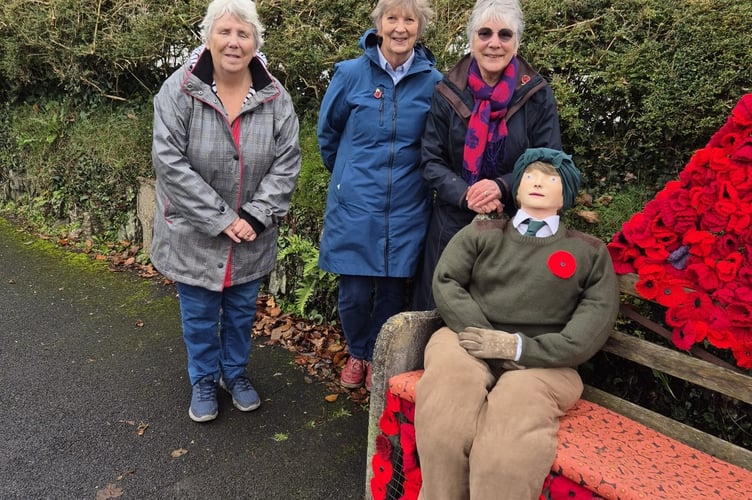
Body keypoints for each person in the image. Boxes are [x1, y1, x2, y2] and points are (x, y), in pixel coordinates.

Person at [414, 148, 619, 499]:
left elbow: (591, 327)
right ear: (517, 190)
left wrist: (521, 348)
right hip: (468, 339)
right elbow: (446, 281)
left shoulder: (589, 252)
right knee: (444, 423)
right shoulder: (484, 232)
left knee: (505, 451)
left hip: (546, 364)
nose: (538, 182)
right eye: (529, 176)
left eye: (550, 178)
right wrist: (485, 335)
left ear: (565, 194)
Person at [151, 0, 301, 422]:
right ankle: (202, 377)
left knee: (239, 312)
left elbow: (287, 161)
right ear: (208, 37)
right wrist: (221, 218)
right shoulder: (177, 90)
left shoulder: (276, 97)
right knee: (198, 314)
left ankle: (234, 373)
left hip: (252, 233)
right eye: (225, 32)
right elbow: (169, 163)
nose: (234, 42)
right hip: (195, 233)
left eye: (244, 34)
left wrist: (254, 216)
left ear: (255, 42)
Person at [317, 0, 443, 391]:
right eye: (393, 18)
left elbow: (435, 144)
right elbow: (328, 135)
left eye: (410, 19)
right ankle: (357, 350)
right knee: (354, 293)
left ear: (419, 28)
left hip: (407, 205)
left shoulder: (434, 82)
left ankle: (375, 356)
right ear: (379, 25)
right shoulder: (350, 74)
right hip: (356, 204)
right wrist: (348, 176)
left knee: (390, 292)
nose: (400, 27)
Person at [412, 0, 562, 310]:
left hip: (513, 221)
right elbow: (430, 159)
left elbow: (549, 161)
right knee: (435, 308)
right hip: (454, 217)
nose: (494, 43)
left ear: (516, 43)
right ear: (472, 40)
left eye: (504, 35)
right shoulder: (447, 91)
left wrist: (502, 186)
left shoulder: (536, 94)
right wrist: (466, 193)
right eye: (485, 33)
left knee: (497, 311)